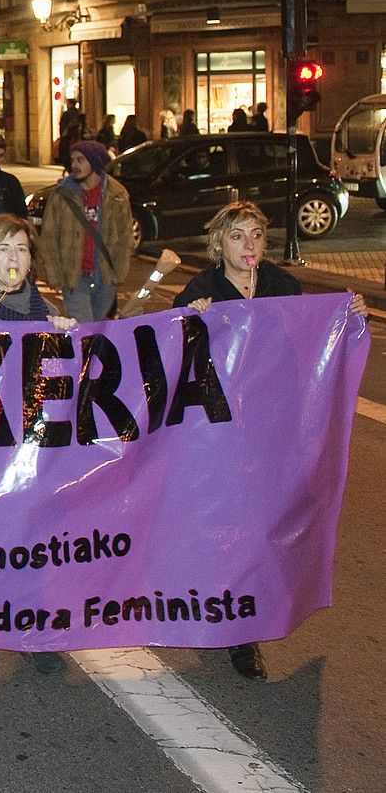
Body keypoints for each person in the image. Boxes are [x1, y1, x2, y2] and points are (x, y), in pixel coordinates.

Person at [174, 202, 366, 680]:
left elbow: (309, 337)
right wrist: (188, 317)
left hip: (272, 425)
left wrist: (349, 313)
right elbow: (167, 347)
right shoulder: (203, 289)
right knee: (230, 524)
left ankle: (248, 620)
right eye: (238, 237)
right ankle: (235, 626)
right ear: (219, 244)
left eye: (256, 236)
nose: (249, 246)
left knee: (265, 524)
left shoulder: (282, 285)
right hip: (220, 431)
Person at [35, 140, 133, 324]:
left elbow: (126, 235)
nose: (74, 165)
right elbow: (48, 238)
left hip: (105, 276)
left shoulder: (117, 194)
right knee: (83, 330)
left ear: (95, 163)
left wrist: (119, 272)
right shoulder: (61, 195)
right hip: (75, 277)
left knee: (96, 331)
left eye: (81, 160)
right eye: (73, 160)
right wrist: (55, 276)